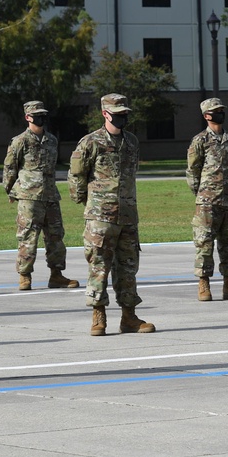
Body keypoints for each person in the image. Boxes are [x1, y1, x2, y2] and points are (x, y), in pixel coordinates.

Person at [68, 93, 155, 336]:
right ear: (105, 114)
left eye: (125, 114)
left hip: (127, 215)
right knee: (99, 266)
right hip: (100, 217)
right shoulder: (90, 142)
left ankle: (129, 316)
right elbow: (76, 177)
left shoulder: (132, 142)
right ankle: (98, 314)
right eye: (117, 115)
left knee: (128, 267)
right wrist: (91, 205)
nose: (122, 118)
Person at [3, 100, 79, 291]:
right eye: (36, 115)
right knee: (28, 236)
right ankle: (25, 275)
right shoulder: (20, 141)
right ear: (27, 117)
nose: (40, 118)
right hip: (29, 196)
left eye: (43, 114)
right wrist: (11, 190)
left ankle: (56, 274)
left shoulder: (51, 140)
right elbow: (10, 167)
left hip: (51, 195)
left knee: (56, 237)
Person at [187, 99, 228, 301]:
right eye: (215, 111)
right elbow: (192, 172)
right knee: (204, 243)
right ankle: (203, 284)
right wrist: (202, 195)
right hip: (207, 202)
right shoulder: (200, 140)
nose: (220, 114)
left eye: (221, 111)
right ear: (206, 115)